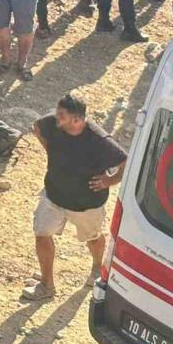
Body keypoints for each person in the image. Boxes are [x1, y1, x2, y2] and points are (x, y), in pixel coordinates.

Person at [22, 94, 127, 301]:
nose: (56, 117)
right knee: (42, 234)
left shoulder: (99, 140)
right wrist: (50, 151)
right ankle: (46, 285)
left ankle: (97, 267)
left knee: (93, 237)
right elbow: (37, 127)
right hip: (54, 194)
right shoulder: (52, 124)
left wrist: (108, 181)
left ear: (77, 120)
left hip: (86, 204)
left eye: (61, 115)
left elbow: (125, 162)